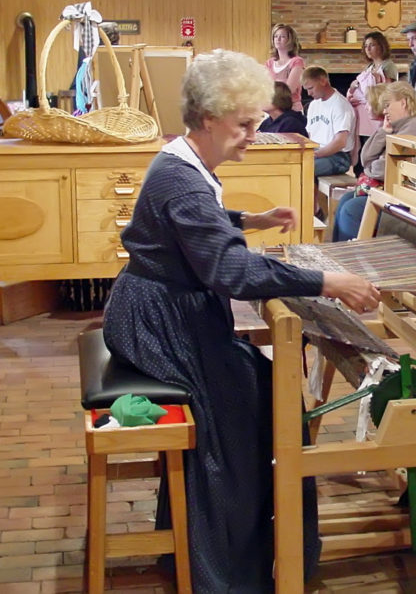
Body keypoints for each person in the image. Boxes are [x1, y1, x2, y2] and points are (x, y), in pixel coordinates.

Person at [103, 49, 379, 592]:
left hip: (163, 312)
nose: (255, 133)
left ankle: (255, 544)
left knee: (263, 392)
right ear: (208, 118)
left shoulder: (183, 162)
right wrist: (330, 282)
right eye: (245, 124)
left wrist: (249, 220)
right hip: (157, 325)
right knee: (249, 413)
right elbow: (229, 272)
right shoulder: (181, 177)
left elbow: (195, 224)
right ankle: (229, 567)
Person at [332, 81, 416, 242]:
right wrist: (383, 131)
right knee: (346, 200)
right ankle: (339, 257)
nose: (384, 111)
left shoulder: (413, 129)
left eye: (388, 105)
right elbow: (365, 159)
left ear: (403, 102)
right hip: (399, 193)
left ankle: (354, 262)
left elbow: (380, 170)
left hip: (415, 202)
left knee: (352, 209)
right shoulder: (399, 127)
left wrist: (371, 166)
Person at [347, 32, 399, 151]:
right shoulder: (369, 67)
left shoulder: (388, 66)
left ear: (381, 46)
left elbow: (389, 90)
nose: (368, 49)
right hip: (365, 112)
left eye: (372, 45)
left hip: (379, 111)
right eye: (366, 46)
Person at [302, 66, 355, 177]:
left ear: (323, 81)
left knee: (303, 169)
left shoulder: (340, 105)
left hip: (338, 157)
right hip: (316, 151)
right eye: (306, 89)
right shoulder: (313, 105)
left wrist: (316, 155)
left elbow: (340, 142)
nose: (309, 93)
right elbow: (309, 134)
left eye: (311, 88)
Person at [265, 23, 305, 111]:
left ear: (290, 40)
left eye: (282, 36)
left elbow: (288, 90)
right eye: (276, 36)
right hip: (273, 109)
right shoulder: (269, 63)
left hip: (291, 110)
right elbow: (265, 87)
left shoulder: (297, 61)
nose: (278, 39)